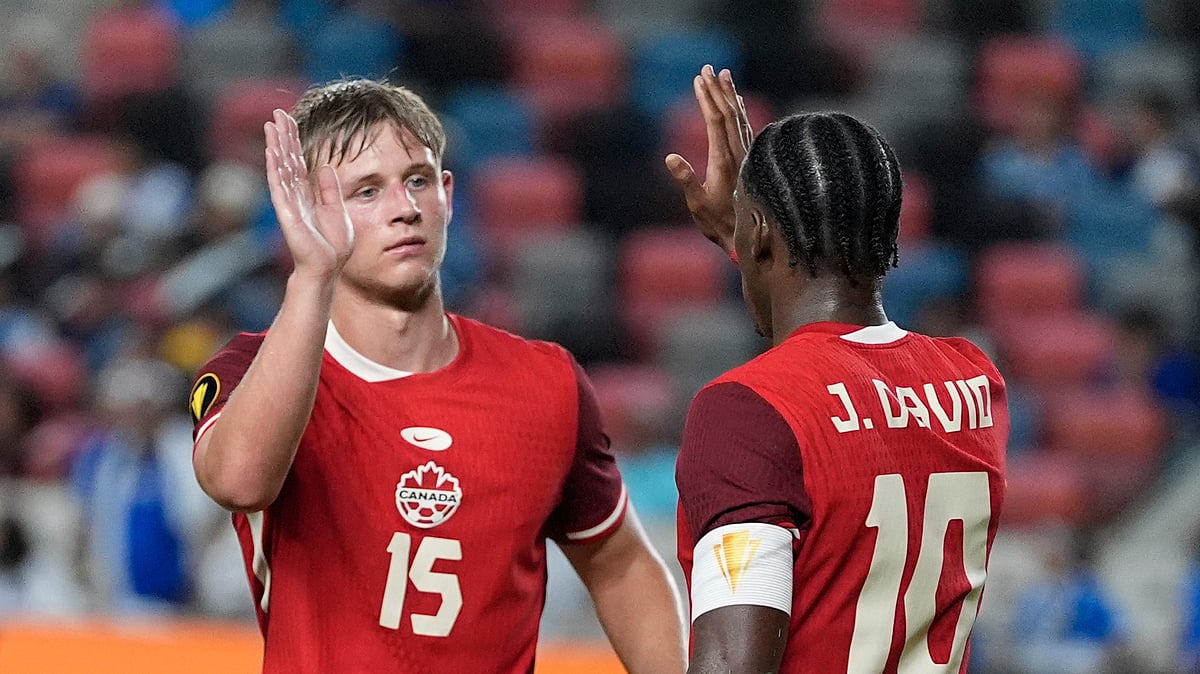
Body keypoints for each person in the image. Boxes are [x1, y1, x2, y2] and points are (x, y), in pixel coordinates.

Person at [189, 78, 685, 672]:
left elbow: (619, 561)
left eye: (418, 180)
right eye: (366, 191)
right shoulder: (250, 371)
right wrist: (312, 275)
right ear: (308, 213)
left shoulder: (546, 382)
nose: (405, 208)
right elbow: (240, 482)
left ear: (447, 195)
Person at [664, 65, 1009, 673]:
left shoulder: (746, 410)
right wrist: (755, 237)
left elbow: (730, 666)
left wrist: (755, 238)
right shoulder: (974, 383)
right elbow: (852, 382)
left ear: (761, 233)